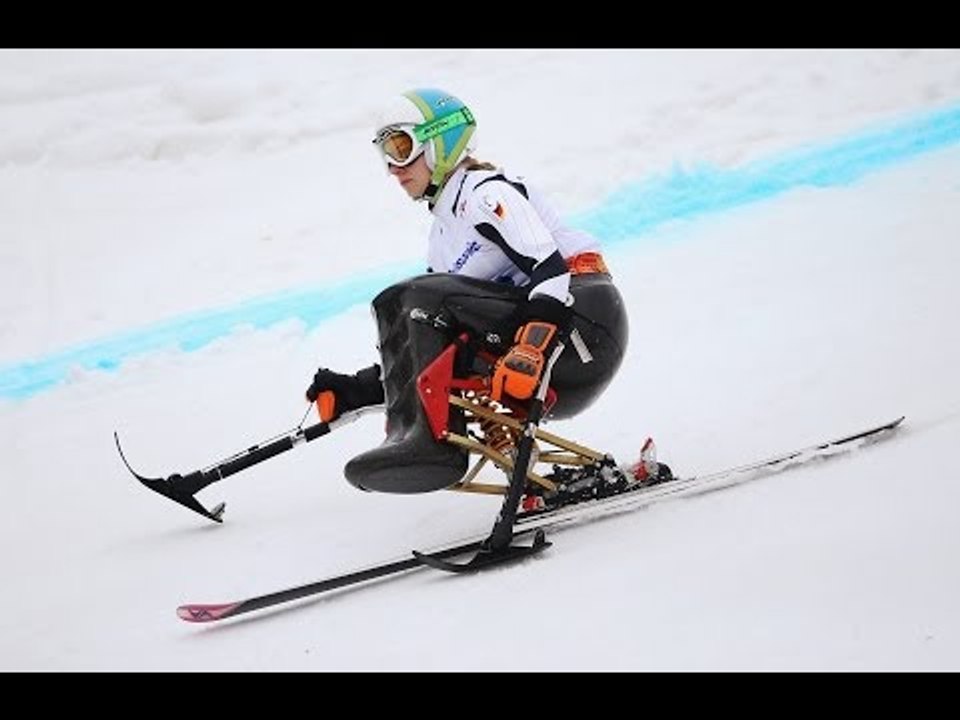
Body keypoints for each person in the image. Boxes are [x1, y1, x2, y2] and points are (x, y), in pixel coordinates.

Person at [305, 88, 628, 496]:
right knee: (406, 305)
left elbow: (550, 270)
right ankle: (415, 436)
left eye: (401, 147)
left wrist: (530, 349)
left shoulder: (484, 193)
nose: (393, 167)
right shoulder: (442, 235)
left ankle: (428, 443)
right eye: (384, 153)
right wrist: (358, 389)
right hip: (551, 336)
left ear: (439, 143)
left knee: (417, 296)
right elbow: (426, 342)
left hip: (586, 323)